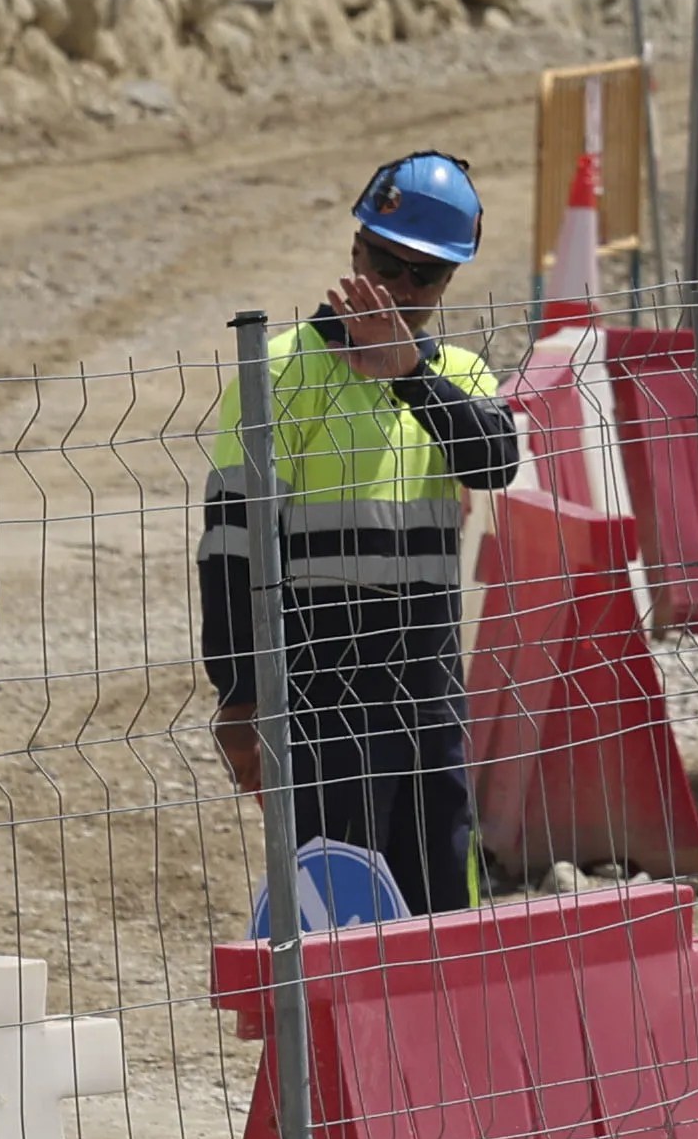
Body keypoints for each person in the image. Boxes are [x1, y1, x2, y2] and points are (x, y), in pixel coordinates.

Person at [198, 152, 525, 917]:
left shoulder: (460, 378)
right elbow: (229, 548)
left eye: (426, 277)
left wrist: (409, 372)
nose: (402, 290)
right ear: (356, 251)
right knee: (337, 914)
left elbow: (495, 461)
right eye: (388, 264)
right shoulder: (279, 373)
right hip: (321, 698)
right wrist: (240, 698)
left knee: (445, 905)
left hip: (429, 696)